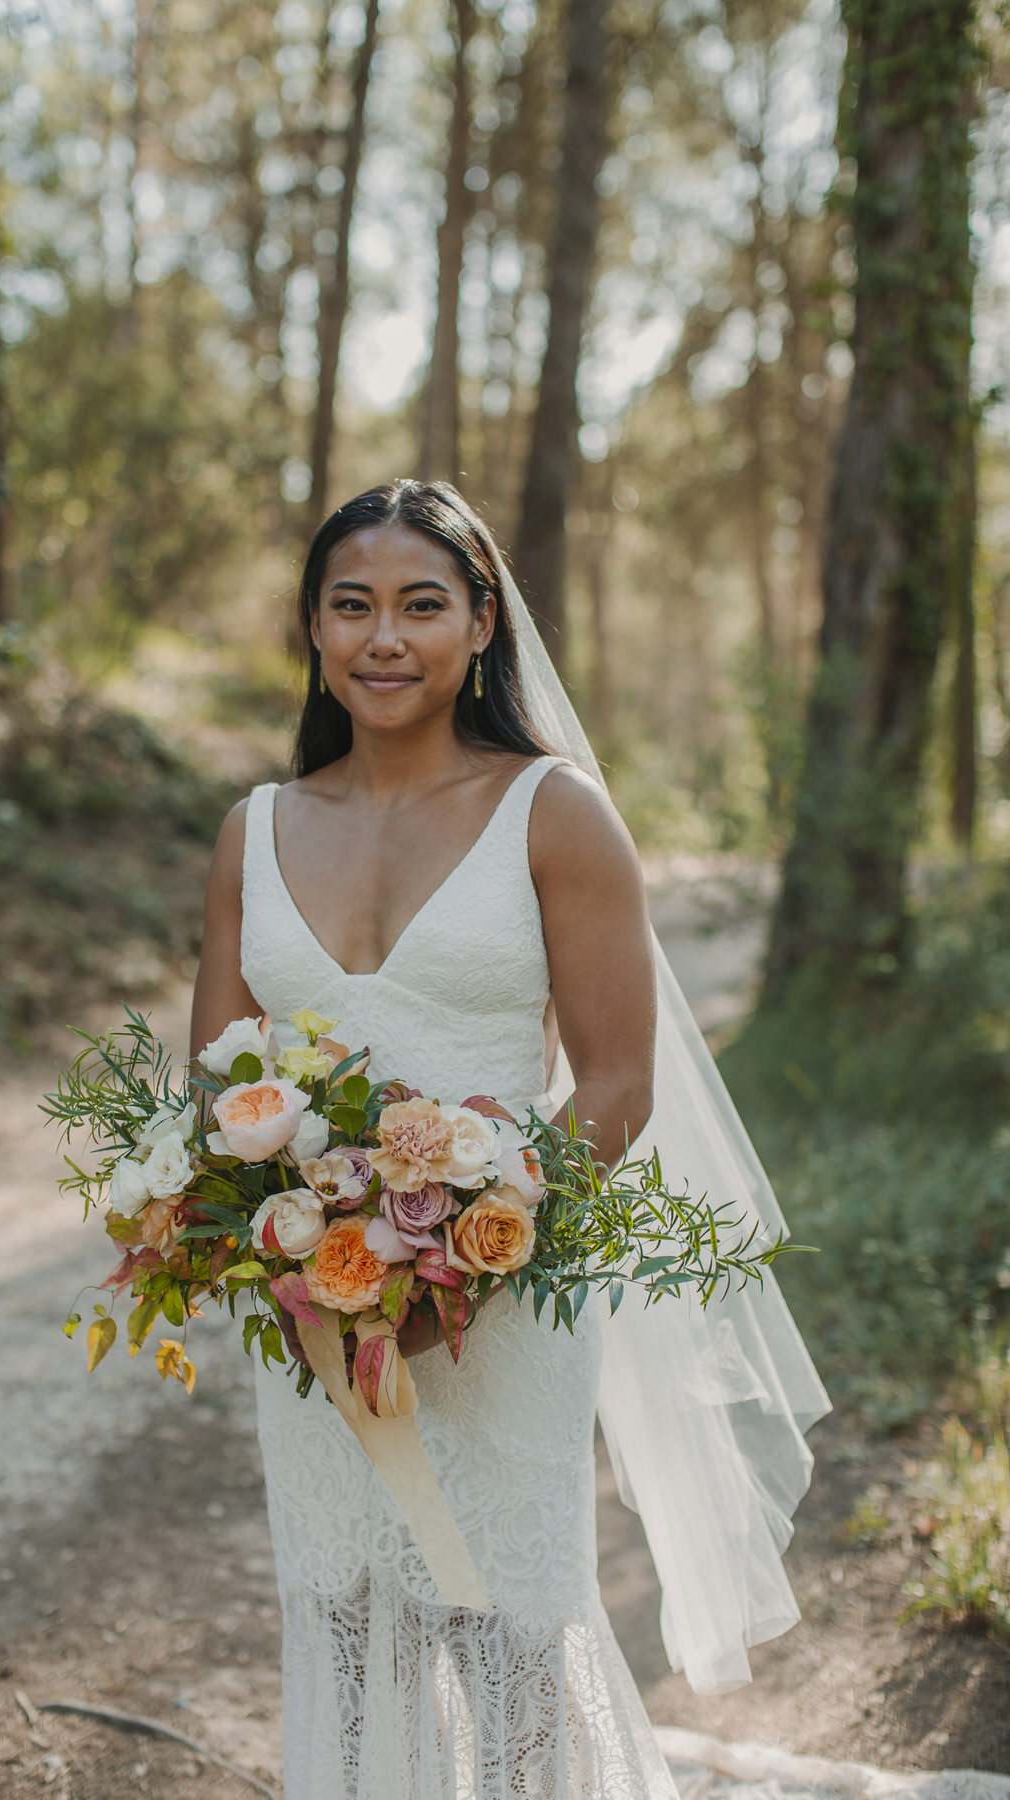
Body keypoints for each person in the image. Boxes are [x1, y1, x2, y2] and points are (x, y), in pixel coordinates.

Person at [189, 479, 828, 1800]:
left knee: (511, 1622)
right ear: (311, 628)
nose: (385, 637)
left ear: (483, 623)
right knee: (348, 1601)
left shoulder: (556, 813)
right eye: (352, 604)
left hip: (507, 1286)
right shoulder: (252, 830)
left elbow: (613, 1085)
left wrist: (458, 1269)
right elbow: (217, 1084)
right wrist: (310, 1267)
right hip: (316, 1307)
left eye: (423, 605)